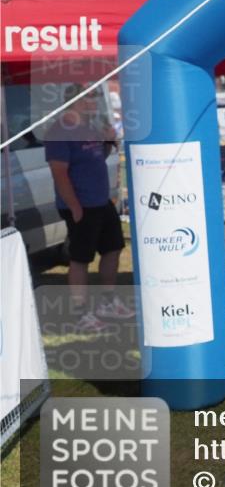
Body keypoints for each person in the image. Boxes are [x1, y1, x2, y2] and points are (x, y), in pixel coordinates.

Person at [45, 86, 130, 332]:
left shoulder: (90, 127)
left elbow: (96, 158)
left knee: (113, 248)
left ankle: (108, 302)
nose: (95, 101)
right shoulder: (59, 131)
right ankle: (82, 315)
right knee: (80, 258)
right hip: (81, 205)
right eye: (91, 97)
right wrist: (74, 206)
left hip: (101, 202)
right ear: (76, 102)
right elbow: (59, 172)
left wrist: (108, 142)